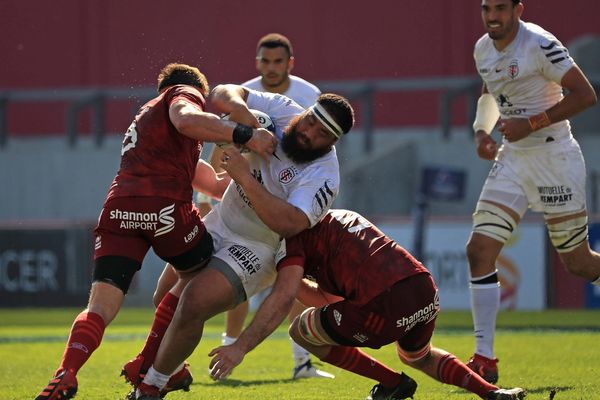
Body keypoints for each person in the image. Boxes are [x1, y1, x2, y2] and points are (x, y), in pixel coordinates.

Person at [34, 63, 277, 400]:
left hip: (118, 209)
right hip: (162, 208)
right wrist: (245, 135)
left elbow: (215, 186)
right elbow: (186, 118)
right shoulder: (182, 95)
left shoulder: (147, 121)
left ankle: (67, 372)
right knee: (201, 270)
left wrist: (251, 172)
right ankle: (148, 362)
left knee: (100, 306)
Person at [125, 84, 355, 399]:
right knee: (163, 297)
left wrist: (243, 176)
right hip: (222, 219)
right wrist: (243, 118)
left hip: (258, 248)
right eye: (312, 121)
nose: (310, 133)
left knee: (191, 302)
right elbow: (222, 93)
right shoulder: (283, 108)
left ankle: (150, 386)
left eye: (322, 134)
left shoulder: (324, 176)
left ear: (332, 143)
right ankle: (175, 371)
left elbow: (288, 224)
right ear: (306, 111)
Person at [207, 209, 527, 400]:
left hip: (381, 305)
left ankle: (392, 384)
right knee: (418, 355)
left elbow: (320, 301)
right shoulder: (343, 215)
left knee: (302, 331)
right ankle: (490, 393)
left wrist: (285, 279)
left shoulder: (296, 240)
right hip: (423, 287)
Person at [467, 0, 599, 384]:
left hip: (554, 156)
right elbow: (490, 91)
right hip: (514, 159)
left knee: (578, 264)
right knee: (479, 251)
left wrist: (533, 122)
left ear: (518, 10)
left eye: (501, 9)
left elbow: (585, 94)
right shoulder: (482, 48)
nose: (493, 16)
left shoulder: (539, 43)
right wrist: (481, 131)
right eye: (486, 8)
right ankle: (484, 359)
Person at [215, 32, 332, 380]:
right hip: (244, 198)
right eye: (265, 61)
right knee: (232, 280)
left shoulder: (309, 95)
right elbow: (223, 133)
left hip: (289, 207)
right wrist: (215, 184)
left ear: (290, 63)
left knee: (292, 280)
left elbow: (324, 150)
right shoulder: (245, 91)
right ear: (257, 63)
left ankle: (302, 362)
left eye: (278, 61)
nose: (271, 68)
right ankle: (226, 349)